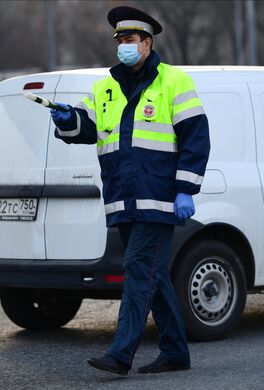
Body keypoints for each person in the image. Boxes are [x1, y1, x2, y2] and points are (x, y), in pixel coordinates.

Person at [50, 6, 210, 376]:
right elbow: (87, 128)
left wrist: (186, 189)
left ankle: (121, 354)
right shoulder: (104, 87)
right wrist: (67, 120)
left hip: (159, 199)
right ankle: (175, 351)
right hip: (121, 198)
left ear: (147, 43)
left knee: (138, 269)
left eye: (130, 39)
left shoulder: (173, 81)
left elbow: (196, 138)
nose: (123, 45)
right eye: (119, 40)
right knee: (154, 277)